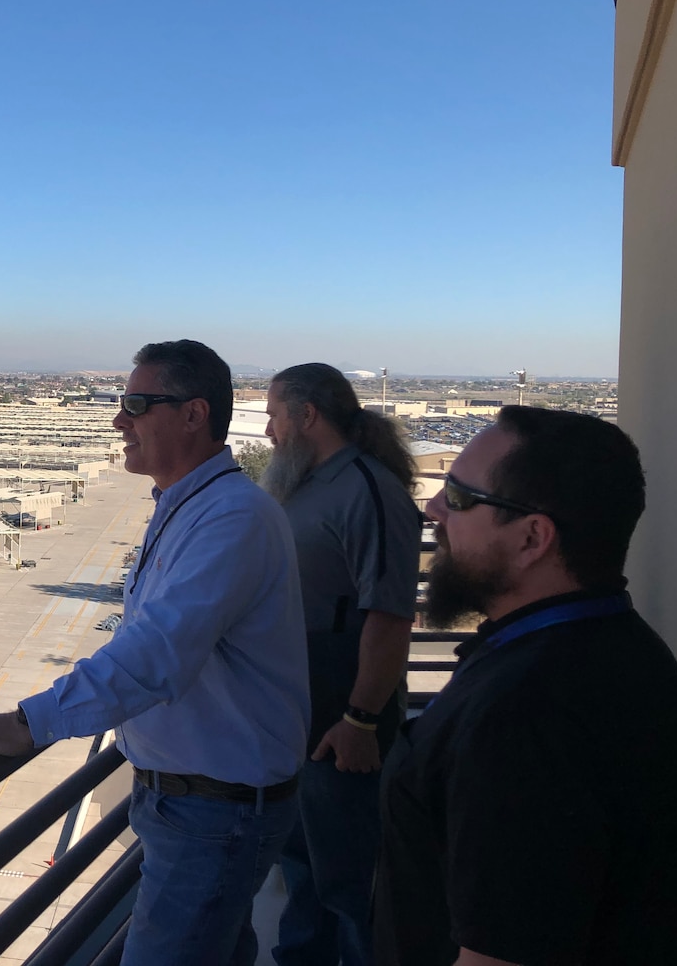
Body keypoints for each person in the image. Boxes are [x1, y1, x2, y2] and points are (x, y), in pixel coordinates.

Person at [0, 339, 310, 966]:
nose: (120, 421)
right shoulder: (189, 507)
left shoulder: (232, 518)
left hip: (213, 816)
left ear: (194, 414)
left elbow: (153, 655)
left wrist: (25, 723)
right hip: (194, 804)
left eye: (137, 404)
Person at [373, 407, 677, 966]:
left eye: (457, 496)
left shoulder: (529, 714)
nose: (432, 510)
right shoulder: (609, 646)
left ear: (532, 538)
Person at [261, 364, 421, 966]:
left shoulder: (368, 490)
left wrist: (359, 720)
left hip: (342, 711)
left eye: (276, 414)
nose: (271, 430)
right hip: (301, 709)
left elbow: (389, 617)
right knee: (303, 864)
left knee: (350, 877)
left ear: (307, 416)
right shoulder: (309, 482)